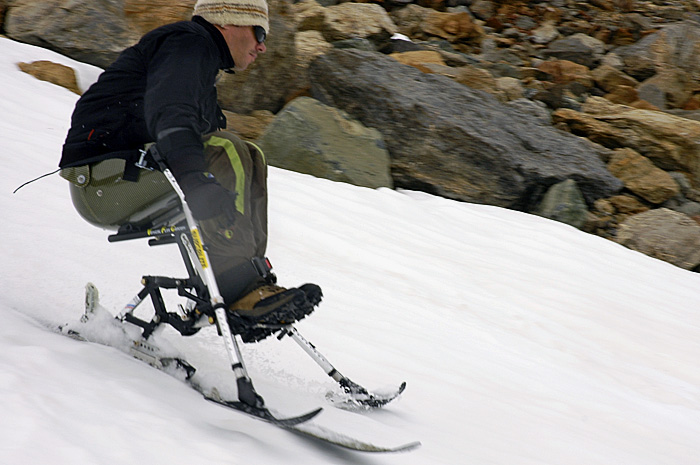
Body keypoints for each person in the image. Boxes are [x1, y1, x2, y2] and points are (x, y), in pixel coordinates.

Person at [58, 0, 322, 336]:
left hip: (123, 176)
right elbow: (171, 115)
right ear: (228, 22)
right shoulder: (189, 43)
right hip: (101, 183)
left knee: (250, 154)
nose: (262, 46)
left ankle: (252, 284)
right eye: (258, 32)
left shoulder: (200, 62)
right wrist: (197, 181)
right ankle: (239, 288)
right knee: (229, 148)